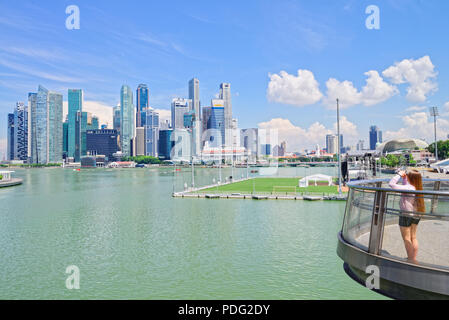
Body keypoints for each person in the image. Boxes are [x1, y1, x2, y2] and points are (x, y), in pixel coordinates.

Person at [388, 169, 425, 263]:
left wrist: (399, 175)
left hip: (406, 214)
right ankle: (413, 258)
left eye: (408, 175)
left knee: (406, 238)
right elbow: (405, 187)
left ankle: (411, 259)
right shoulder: (417, 187)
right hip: (416, 213)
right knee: (413, 237)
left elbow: (391, 184)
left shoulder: (409, 188)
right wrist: (404, 178)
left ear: (411, 177)